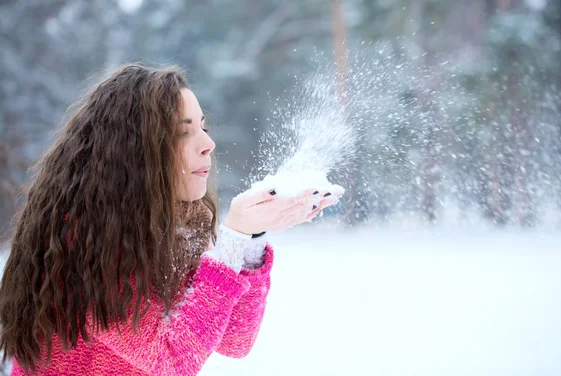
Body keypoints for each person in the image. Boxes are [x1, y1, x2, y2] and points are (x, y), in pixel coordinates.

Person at [0, 65, 342, 375]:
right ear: (134, 151)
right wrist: (234, 239)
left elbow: (234, 341)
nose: (208, 143)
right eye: (184, 132)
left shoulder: (168, 226)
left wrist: (250, 241)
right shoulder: (85, 244)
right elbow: (171, 362)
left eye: (204, 128)